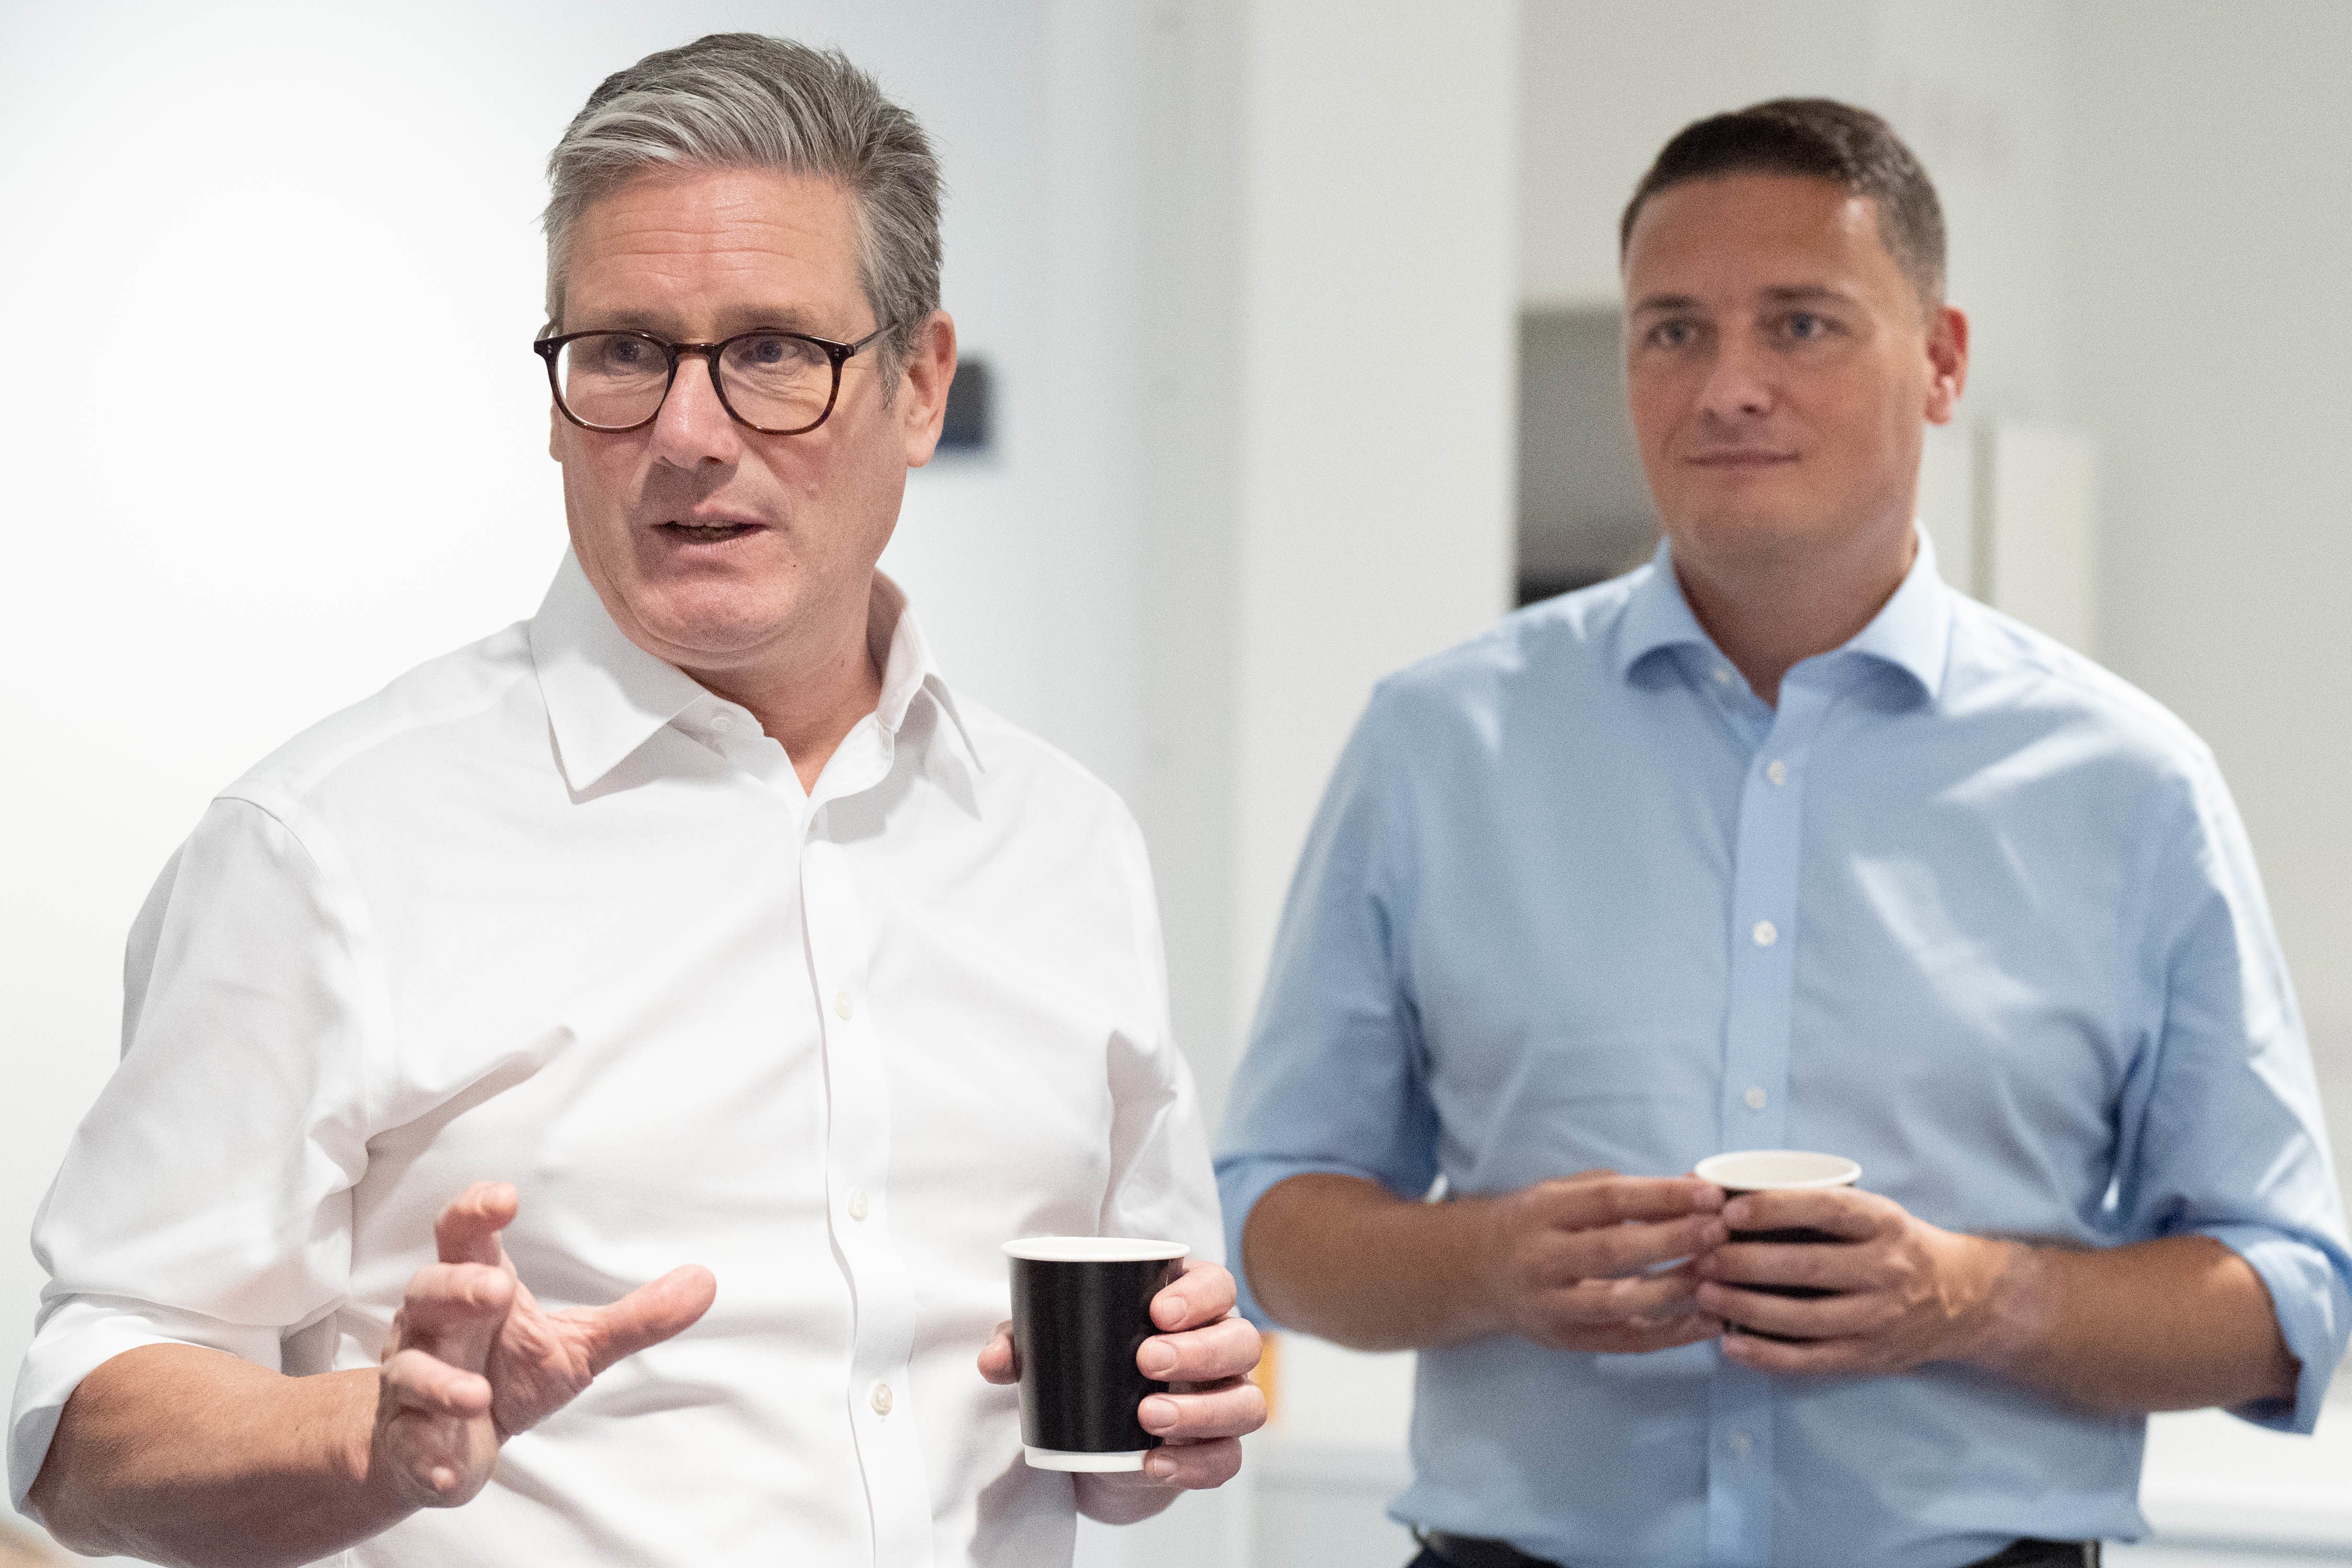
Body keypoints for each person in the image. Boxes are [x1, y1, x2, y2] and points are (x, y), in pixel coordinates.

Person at [9, 33, 1261, 1567]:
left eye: (774, 354)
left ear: (920, 388)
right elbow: (81, 1428)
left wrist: (1171, 1420)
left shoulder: (1064, 843)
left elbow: (1138, 1397)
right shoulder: (328, 846)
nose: (688, 432)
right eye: (623, 354)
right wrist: (375, 1443)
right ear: (553, 394)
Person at [1216, 98, 2350, 1568]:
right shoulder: (1439, 746)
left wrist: (1977, 1296)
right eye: (1671, 330)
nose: (1727, 386)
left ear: (1942, 362)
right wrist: (1487, 1263)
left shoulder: (2131, 786)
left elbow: (2286, 1302)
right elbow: (1276, 1219)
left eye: (1802, 325)